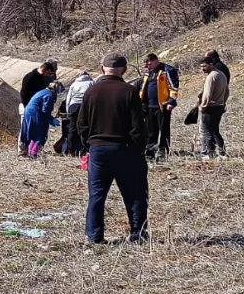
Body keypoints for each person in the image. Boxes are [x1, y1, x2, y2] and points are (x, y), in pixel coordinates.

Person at [77, 52, 149, 244]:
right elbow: (138, 127)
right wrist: (138, 149)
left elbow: (81, 125)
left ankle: (94, 236)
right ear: (124, 70)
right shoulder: (129, 91)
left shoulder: (91, 91)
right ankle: (138, 235)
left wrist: (89, 144)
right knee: (134, 194)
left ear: (102, 69)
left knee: (97, 196)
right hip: (125, 149)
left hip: (98, 150)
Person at [136, 53, 179, 161]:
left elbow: (174, 87)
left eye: (150, 64)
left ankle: (163, 150)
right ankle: (150, 150)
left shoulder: (167, 70)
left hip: (163, 105)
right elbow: (143, 86)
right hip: (149, 105)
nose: (148, 66)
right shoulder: (148, 72)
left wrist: (171, 101)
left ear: (155, 60)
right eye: (147, 65)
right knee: (150, 130)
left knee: (163, 129)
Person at [18, 58, 59, 156]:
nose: (50, 76)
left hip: (37, 108)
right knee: (25, 129)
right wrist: (29, 106)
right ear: (45, 69)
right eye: (50, 73)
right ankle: (22, 151)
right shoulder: (30, 77)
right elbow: (23, 94)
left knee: (36, 130)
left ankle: (32, 150)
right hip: (27, 106)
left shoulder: (44, 78)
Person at [20, 81, 63, 159]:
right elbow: (45, 111)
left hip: (28, 111)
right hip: (35, 113)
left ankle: (30, 152)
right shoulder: (49, 96)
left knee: (32, 134)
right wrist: (51, 120)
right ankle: (34, 154)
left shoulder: (43, 92)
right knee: (40, 134)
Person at [197, 57, 230, 160]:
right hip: (219, 106)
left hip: (211, 107)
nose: (203, 69)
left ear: (211, 64)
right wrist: (223, 103)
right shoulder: (222, 74)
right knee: (215, 130)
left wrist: (203, 106)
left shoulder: (211, 76)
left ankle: (209, 153)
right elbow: (227, 92)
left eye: (204, 66)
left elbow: (207, 94)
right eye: (201, 67)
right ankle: (222, 152)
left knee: (207, 131)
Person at [63, 69, 95, 156]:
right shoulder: (91, 83)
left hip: (73, 105)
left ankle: (70, 150)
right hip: (85, 106)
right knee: (85, 127)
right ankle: (84, 150)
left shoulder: (74, 84)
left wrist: (67, 110)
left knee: (72, 128)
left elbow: (69, 97)